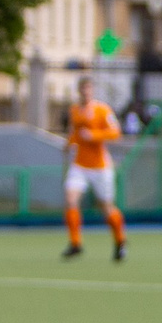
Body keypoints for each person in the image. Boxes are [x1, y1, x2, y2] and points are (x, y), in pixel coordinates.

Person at [63, 77, 127, 261]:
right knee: (70, 199)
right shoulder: (74, 110)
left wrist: (94, 135)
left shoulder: (102, 109)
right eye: (83, 88)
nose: (86, 92)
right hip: (80, 164)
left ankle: (120, 241)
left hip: (100, 166)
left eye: (89, 88)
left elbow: (115, 132)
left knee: (106, 207)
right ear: (79, 90)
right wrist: (69, 144)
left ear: (92, 90)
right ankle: (75, 243)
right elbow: (74, 133)